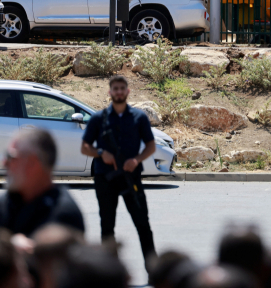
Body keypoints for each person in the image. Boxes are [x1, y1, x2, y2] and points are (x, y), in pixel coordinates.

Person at [80, 75, 157, 273]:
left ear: (128, 91)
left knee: (143, 224)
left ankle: (154, 273)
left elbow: (151, 146)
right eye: (115, 89)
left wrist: (137, 160)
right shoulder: (98, 118)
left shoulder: (139, 117)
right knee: (107, 226)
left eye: (122, 88)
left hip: (131, 178)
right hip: (105, 178)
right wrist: (100, 153)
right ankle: (109, 274)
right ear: (110, 92)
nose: (119, 92)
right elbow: (85, 147)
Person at [0, 129, 85, 237]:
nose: (4, 163)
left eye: (10, 157)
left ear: (32, 163)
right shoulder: (6, 202)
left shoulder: (63, 215)